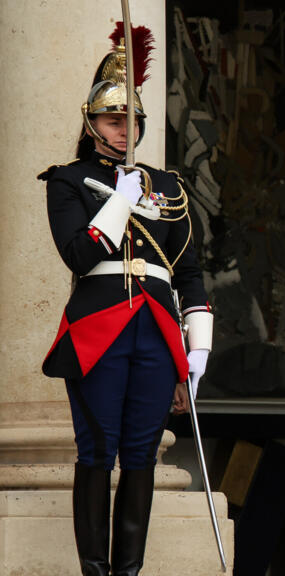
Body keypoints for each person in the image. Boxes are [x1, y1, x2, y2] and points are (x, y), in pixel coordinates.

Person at [38, 25, 212, 576]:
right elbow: (78, 256)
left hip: (158, 333)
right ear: (92, 123)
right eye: (113, 119)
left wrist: (198, 352)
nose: (124, 129)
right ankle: (95, 570)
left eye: (132, 119)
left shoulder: (170, 186)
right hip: (100, 328)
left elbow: (188, 274)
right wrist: (119, 202)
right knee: (98, 450)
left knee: (141, 456)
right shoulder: (68, 181)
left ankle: (128, 572)